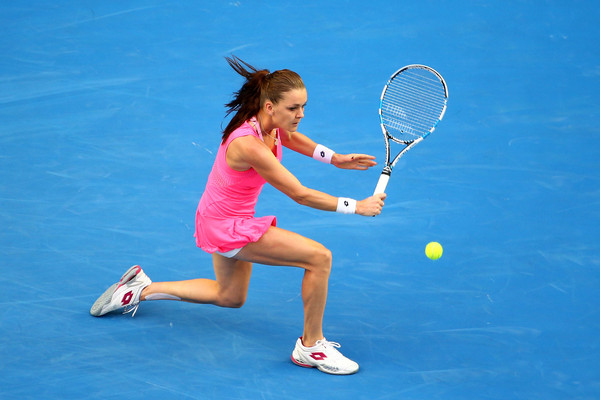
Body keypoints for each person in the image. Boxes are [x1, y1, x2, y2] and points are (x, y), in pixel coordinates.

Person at [90, 56, 387, 375]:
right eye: (293, 108)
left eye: (303, 107)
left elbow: (289, 136)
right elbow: (299, 194)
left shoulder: (265, 121)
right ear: (270, 106)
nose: (300, 115)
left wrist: (334, 158)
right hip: (225, 226)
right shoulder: (248, 145)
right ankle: (311, 346)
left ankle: (137, 289)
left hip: (217, 217)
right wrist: (356, 206)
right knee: (319, 258)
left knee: (229, 296)